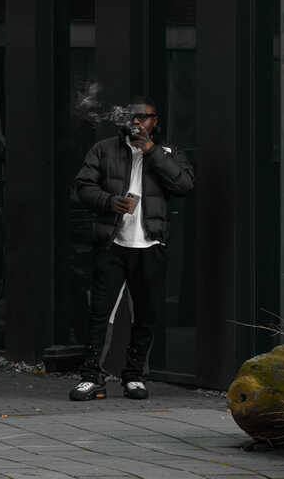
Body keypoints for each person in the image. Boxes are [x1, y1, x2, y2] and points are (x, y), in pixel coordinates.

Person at [69, 96, 194, 402]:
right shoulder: (105, 149)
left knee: (146, 314)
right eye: (133, 117)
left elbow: (185, 185)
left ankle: (134, 376)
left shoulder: (167, 152)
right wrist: (110, 202)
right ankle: (91, 377)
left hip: (150, 244)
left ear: (155, 122)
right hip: (112, 244)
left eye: (145, 118)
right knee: (100, 314)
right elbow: (82, 188)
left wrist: (150, 151)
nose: (138, 122)